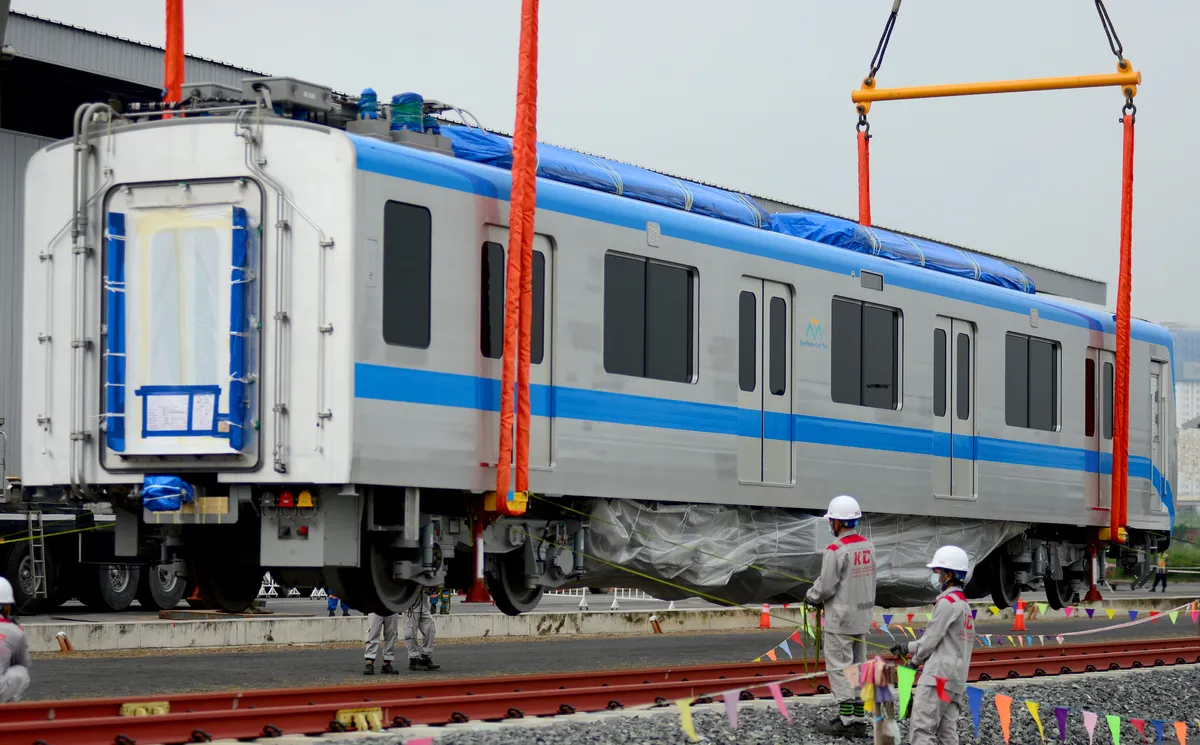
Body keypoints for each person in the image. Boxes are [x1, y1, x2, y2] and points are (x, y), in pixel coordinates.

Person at [806, 495, 876, 738]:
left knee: (839, 668)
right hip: (862, 618)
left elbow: (826, 586)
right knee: (858, 668)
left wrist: (811, 596)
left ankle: (845, 722)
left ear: (836, 522)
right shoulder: (868, 546)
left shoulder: (835, 550)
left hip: (840, 620)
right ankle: (858, 720)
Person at [891, 546, 975, 745]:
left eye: (938, 572)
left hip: (937, 678)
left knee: (922, 729)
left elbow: (929, 641)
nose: (936, 578)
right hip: (955, 680)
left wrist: (913, 662)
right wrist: (907, 647)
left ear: (949, 575)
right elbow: (938, 639)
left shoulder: (946, 603)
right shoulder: (963, 605)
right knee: (947, 733)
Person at [0, 577, 31, 702]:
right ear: (6, 606)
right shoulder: (15, 631)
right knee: (21, 672)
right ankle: (8, 711)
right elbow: (23, 663)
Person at [405, 588, 440, 671]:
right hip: (411, 606)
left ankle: (425, 657)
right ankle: (413, 660)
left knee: (430, 630)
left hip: (424, 606)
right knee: (411, 633)